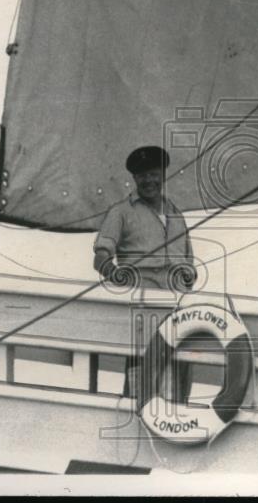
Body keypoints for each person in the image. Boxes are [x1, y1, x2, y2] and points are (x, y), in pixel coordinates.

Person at [93, 145, 195, 402]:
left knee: (183, 360)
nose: (149, 181)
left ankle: (178, 414)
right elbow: (101, 256)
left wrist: (189, 275)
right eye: (142, 176)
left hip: (177, 302)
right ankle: (134, 407)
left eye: (153, 174)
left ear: (162, 175)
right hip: (143, 299)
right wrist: (113, 273)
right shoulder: (120, 212)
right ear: (134, 179)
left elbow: (189, 260)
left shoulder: (176, 213)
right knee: (141, 362)